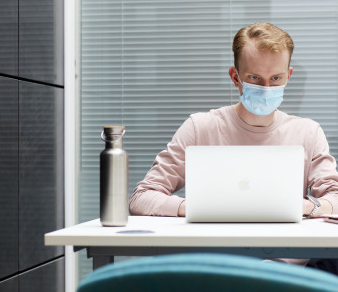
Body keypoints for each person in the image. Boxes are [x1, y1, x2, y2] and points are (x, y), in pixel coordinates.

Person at [129, 22, 338, 269]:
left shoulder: (307, 132)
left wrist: (308, 207)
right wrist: (195, 208)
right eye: (254, 78)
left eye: (276, 78)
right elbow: (141, 198)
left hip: (288, 272)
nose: (266, 88)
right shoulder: (200, 127)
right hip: (214, 268)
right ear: (235, 76)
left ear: (288, 76)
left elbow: (334, 197)